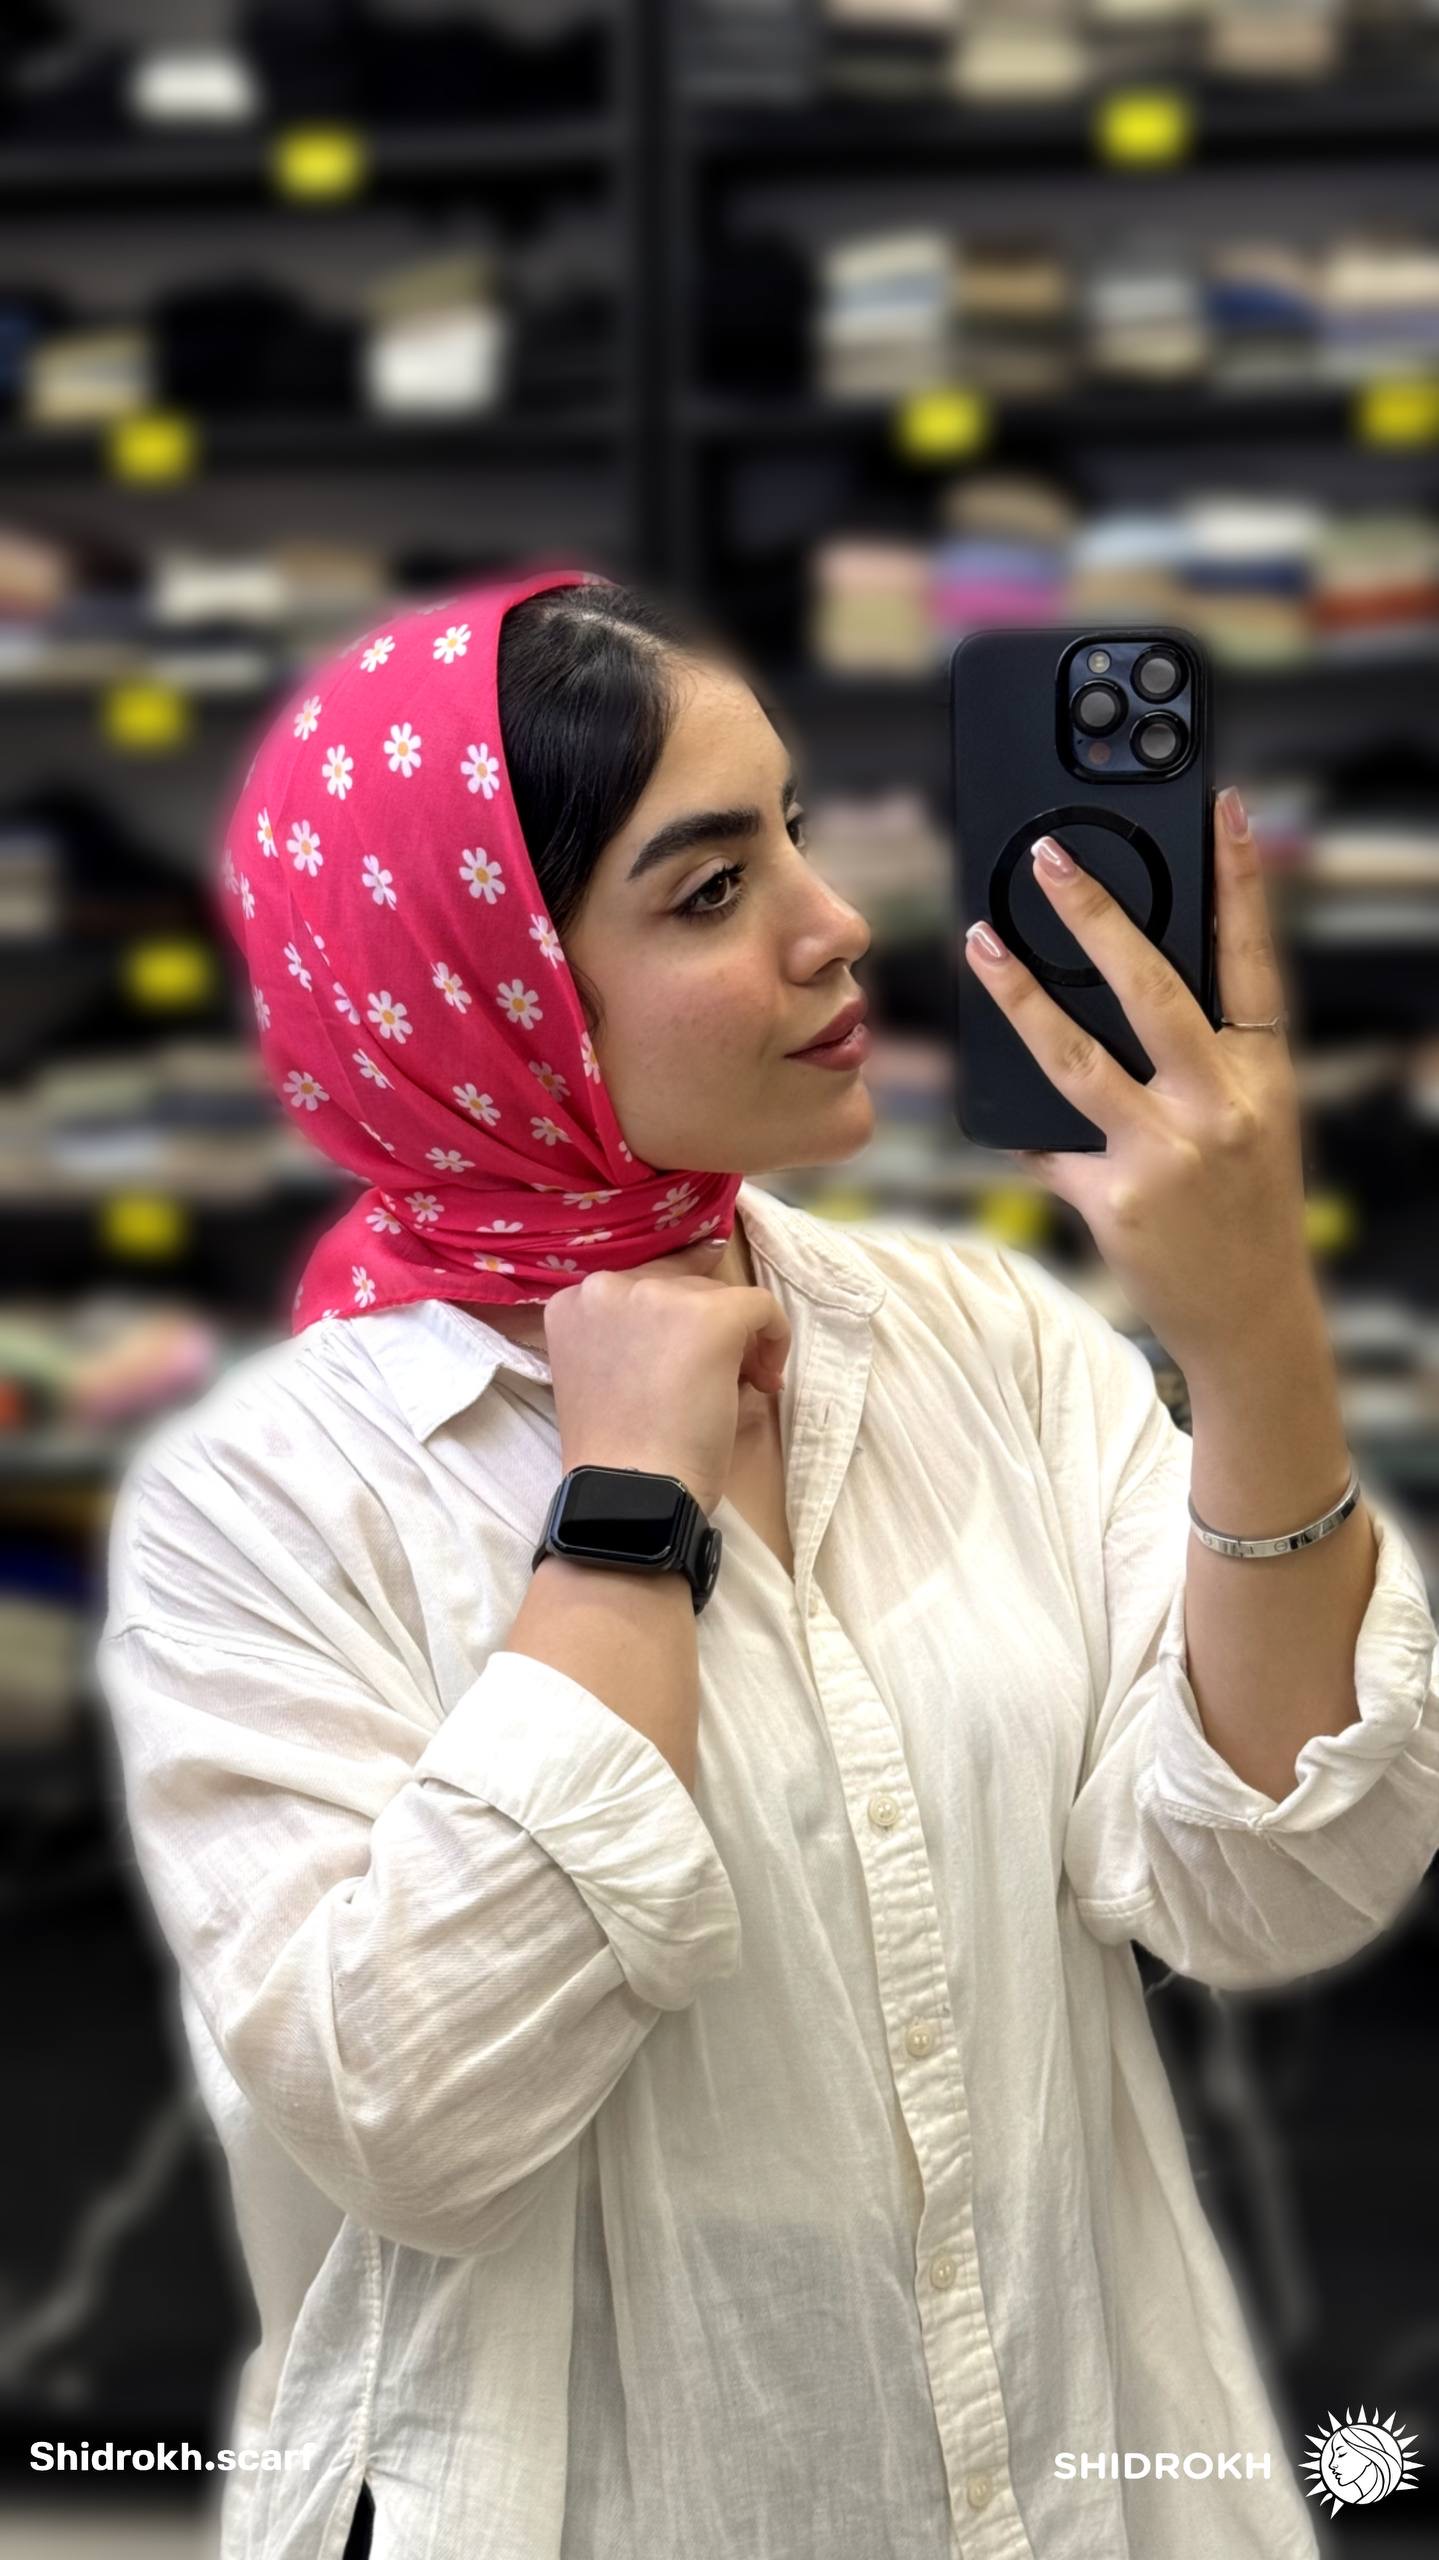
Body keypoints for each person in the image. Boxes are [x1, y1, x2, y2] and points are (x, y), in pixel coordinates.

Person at [95, 566, 1439, 2560]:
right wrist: (626, 1511)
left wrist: (1251, 1329)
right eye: (712, 887)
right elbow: (413, 2117)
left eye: (796, 831)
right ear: (490, 991)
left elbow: (1276, 1879)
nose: (835, 924)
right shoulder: (275, 1500)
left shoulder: (982, 1345)